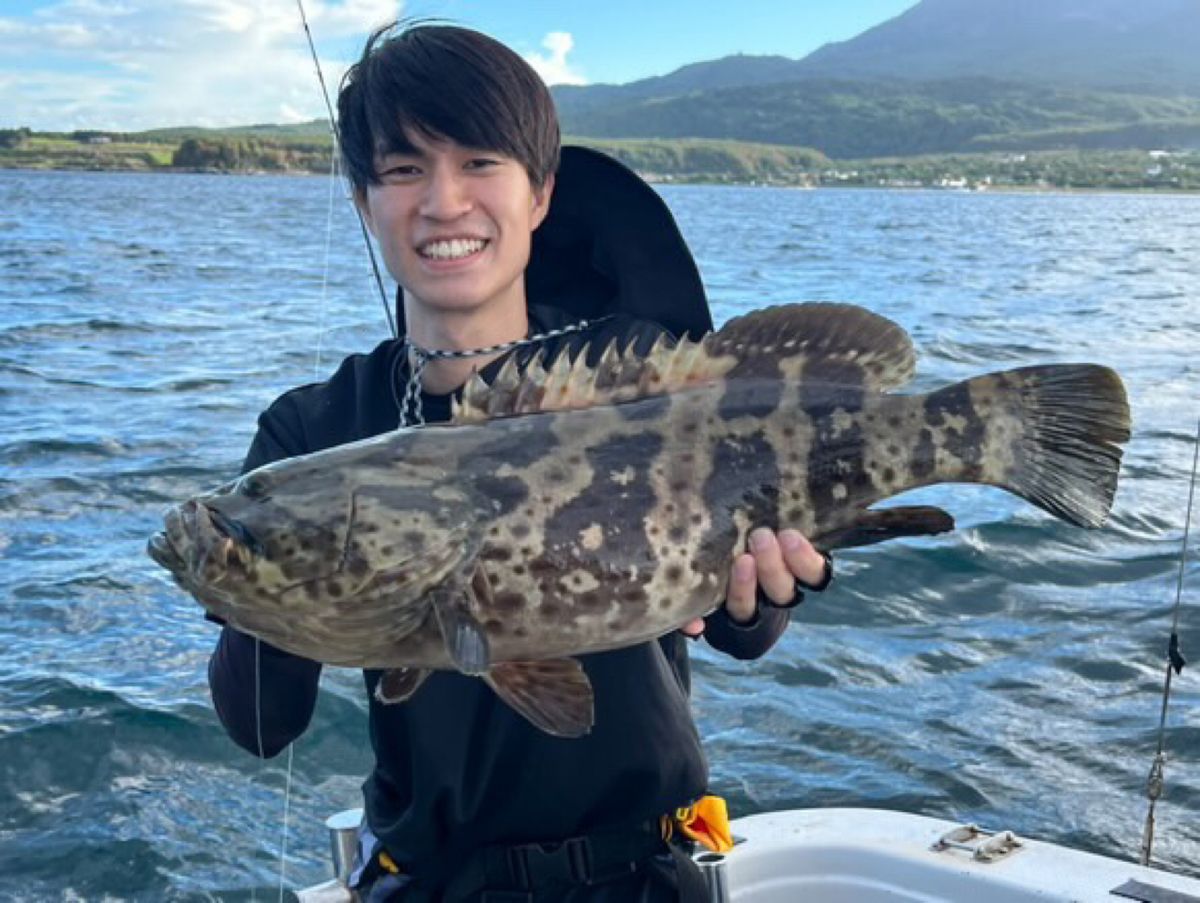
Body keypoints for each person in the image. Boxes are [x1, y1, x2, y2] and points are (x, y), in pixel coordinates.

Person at [207, 20, 832, 902]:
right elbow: (261, 724)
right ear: (363, 201)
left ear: (540, 193)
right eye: (402, 170)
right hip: (427, 882)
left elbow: (741, 629)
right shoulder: (315, 428)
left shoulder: (638, 382)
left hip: (645, 874)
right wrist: (255, 577)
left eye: (480, 164)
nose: (443, 202)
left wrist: (760, 595)